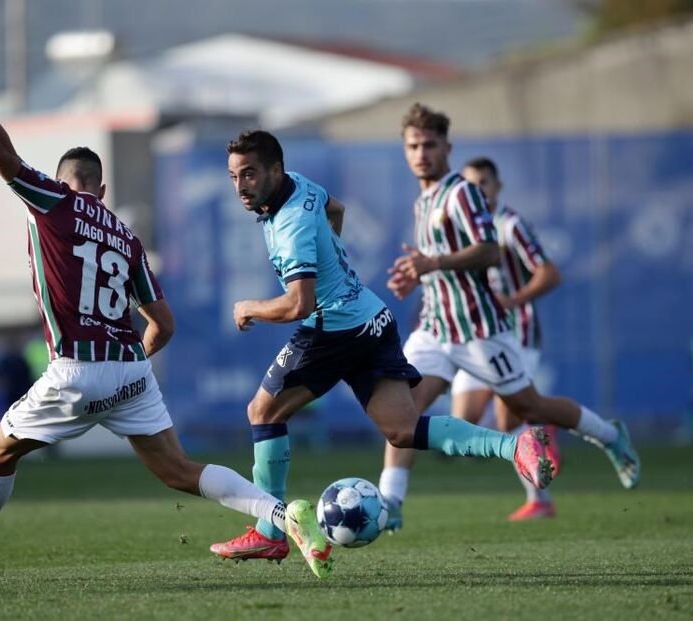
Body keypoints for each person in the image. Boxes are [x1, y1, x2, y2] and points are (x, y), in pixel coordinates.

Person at [0, 29, 331, 579]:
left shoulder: (53, 204)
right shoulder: (126, 237)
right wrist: (131, 368)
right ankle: (282, 513)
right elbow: (164, 324)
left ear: (63, 184)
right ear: (102, 190)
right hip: (130, 367)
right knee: (179, 469)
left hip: (76, 371)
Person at [209, 129, 553, 564]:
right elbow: (337, 208)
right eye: (234, 176)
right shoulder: (300, 183)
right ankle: (515, 447)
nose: (241, 186)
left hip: (331, 329)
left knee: (262, 412)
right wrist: (332, 253)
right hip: (371, 317)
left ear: (274, 170)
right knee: (404, 429)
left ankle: (269, 531)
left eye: (250, 174)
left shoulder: (291, 223)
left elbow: (299, 304)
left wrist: (250, 308)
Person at [378, 103, 640, 531]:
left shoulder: (461, 192)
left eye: (429, 144)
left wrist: (435, 264)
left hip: (478, 330)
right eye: (413, 146)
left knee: (528, 406)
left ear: (447, 147)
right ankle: (390, 504)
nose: (421, 153)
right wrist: (419, 279)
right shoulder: (423, 201)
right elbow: (438, 265)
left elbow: (489, 250)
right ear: (404, 151)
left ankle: (610, 436)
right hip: (434, 330)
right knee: (400, 414)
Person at [451, 157, 563, 521]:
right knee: (461, 426)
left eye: (484, 183)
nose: (479, 190)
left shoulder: (510, 225)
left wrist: (513, 300)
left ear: (498, 187)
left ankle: (539, 500)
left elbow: (550, 273)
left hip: (517, 334)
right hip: (478, 337)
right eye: (471, 185)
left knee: (507, 418)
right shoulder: (459, 230)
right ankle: (540, 421)